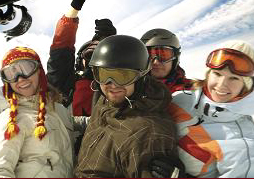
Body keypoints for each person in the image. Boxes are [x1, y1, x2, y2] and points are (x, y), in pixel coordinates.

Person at [74, 35, 183, 178]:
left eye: (123, 75)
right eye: (103, 74)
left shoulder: (148, 133)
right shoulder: (106, 101)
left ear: (141, 76)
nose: (112, 84)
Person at [168, 40, 254, 177]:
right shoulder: (180, 100)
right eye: (217, 74)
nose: (222, 85)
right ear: (208, 74)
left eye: (234, 78)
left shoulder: (248, 146)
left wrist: (178, 176)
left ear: (246, 86)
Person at [0, 47, 74, 178]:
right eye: (11, 73)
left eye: (26, 68)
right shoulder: (11, 120)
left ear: (39, 71)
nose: (20, 79)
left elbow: (78, 123)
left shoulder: (58, 110)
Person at [47, 0, 117, 117]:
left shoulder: (117, 85)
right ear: (80, 61)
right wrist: (76, 4)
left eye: (102, 56)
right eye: (90, 55)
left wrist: (111, 42)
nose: (95, 61)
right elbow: (61, 47)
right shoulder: (64, 82)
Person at [141, 28, 193, 92]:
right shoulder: (132, 90)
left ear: (175, 59)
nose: (156, 62)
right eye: (150, 56)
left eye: (163, 55)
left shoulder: (192, 89)